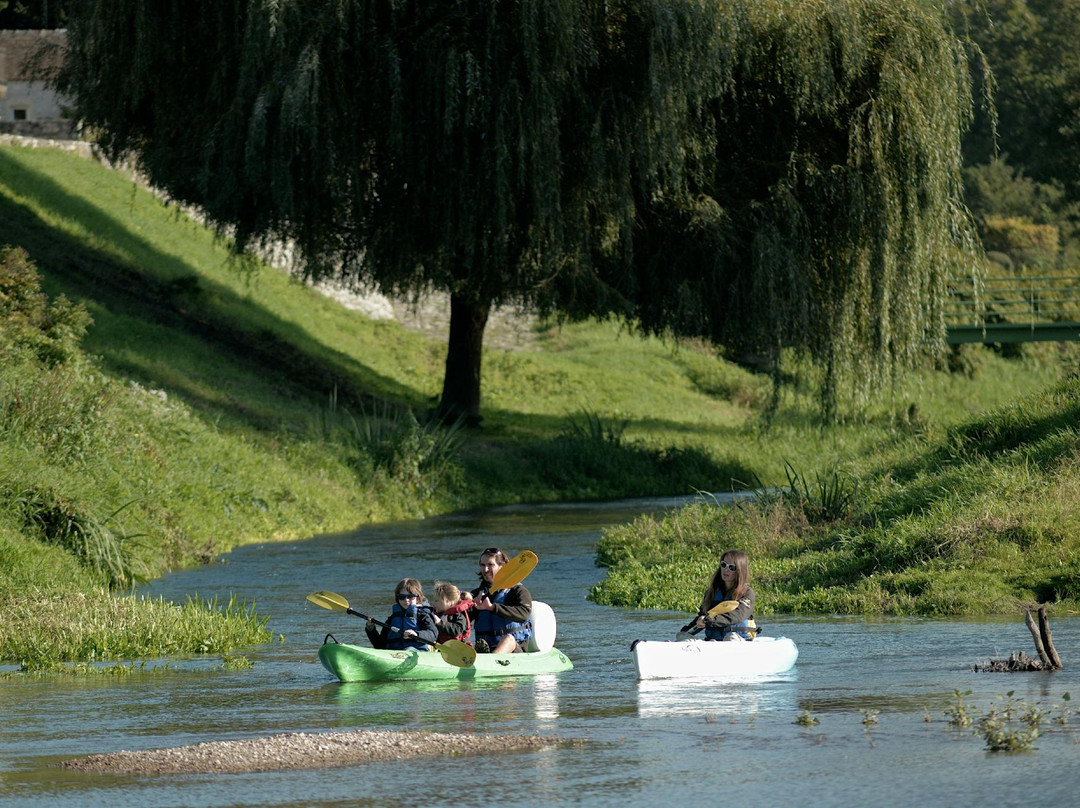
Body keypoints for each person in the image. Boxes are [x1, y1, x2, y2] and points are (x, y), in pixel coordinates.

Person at [470, 547, 533, 653]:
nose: (485, 570)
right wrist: (463, 601)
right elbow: (461, 621)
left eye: (490, 565)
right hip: (486, 647)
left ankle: (491, 661)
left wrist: (492, 608)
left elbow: (524, 614)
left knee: (508, 639)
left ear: (502, 567)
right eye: (483, 565)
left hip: (514, 649)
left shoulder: (518, 591)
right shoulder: (477, 594)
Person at [693, 550, 757, 641]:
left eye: (732, 567)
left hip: (739, 639)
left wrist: (709, 621)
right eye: (723, 565)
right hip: (714, 639)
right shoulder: (711, 592)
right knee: (684, 636)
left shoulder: (748, 593)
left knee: (731, 637)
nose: (726, 570)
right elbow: (702, 616)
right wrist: (686, 631)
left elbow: (739, 615)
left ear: (740, 570)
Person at [365, 578, 439, 651]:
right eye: (402, 597)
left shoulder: (423, 615)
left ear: (418, 598)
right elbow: (380, 645)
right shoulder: (393, 618)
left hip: (417, 651)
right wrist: (371, 629)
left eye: (410, 596)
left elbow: (433, 634)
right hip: (394, 653)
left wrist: (416, 634)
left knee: (409, 649)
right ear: (398, 598)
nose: (406, 600)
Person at [429, 580, 473, 645]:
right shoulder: (438, 614)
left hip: (459, 646)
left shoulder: (459, 615)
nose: (434, 604)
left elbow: (457, 630)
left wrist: (440, 623)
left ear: (449, 602)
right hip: (444, 646)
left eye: (437, 601)